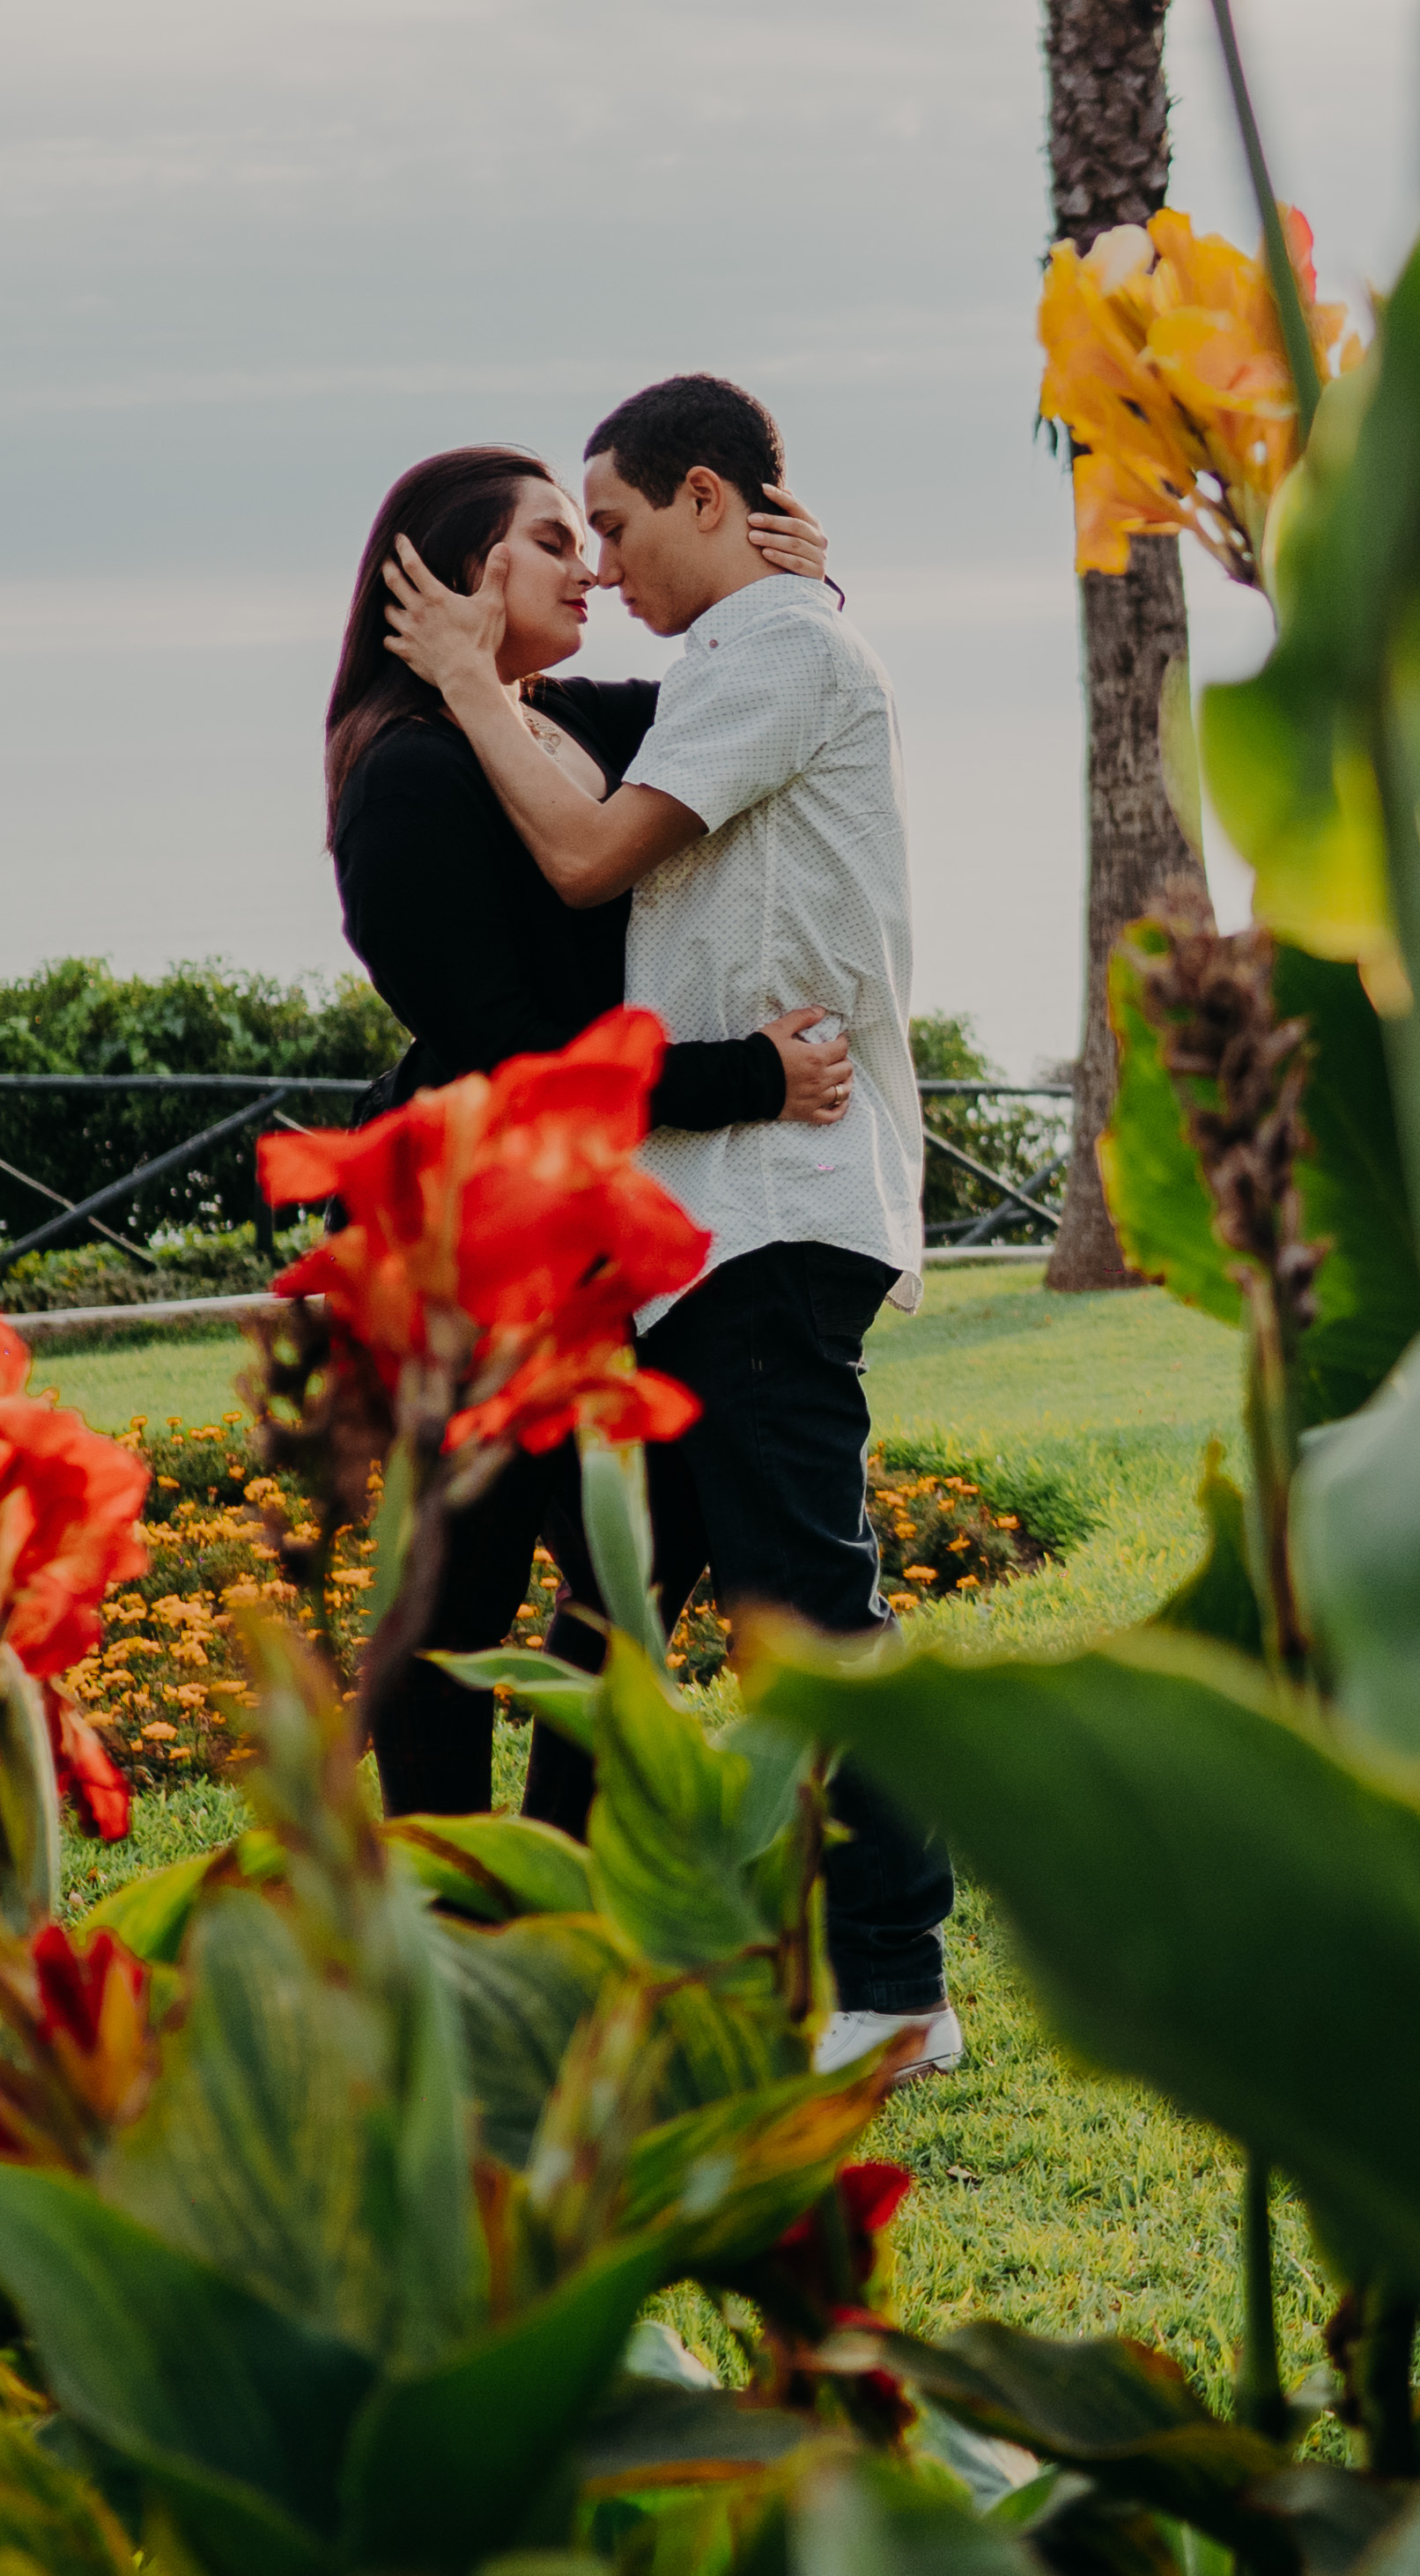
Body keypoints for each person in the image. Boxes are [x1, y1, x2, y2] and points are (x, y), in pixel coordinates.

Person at [381, 374, 955, 2080]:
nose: (606, 565)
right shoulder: (736, 656)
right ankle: (672, 1951)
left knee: (809, 1612)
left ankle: (895, 1985)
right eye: (575, 539)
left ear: (708, 499)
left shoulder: (771, 652)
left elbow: (582, 860)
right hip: (701, 1224)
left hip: (770, 1206)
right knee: (686, 1597)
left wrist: (471, 677)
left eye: (618, 526)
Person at [321, 444, 851, 1834]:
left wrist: (800, 585)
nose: (595, 572)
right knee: (459, 1589)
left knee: (649, 1547)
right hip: (464, 1230)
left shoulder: (573, 722)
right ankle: (456, 1897)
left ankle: (555, 1859)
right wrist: (750, 1075)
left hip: (583, 1223)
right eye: (556, 541)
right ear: (461, 570)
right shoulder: (409, 779)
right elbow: (507, 1054)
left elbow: (746, 697)